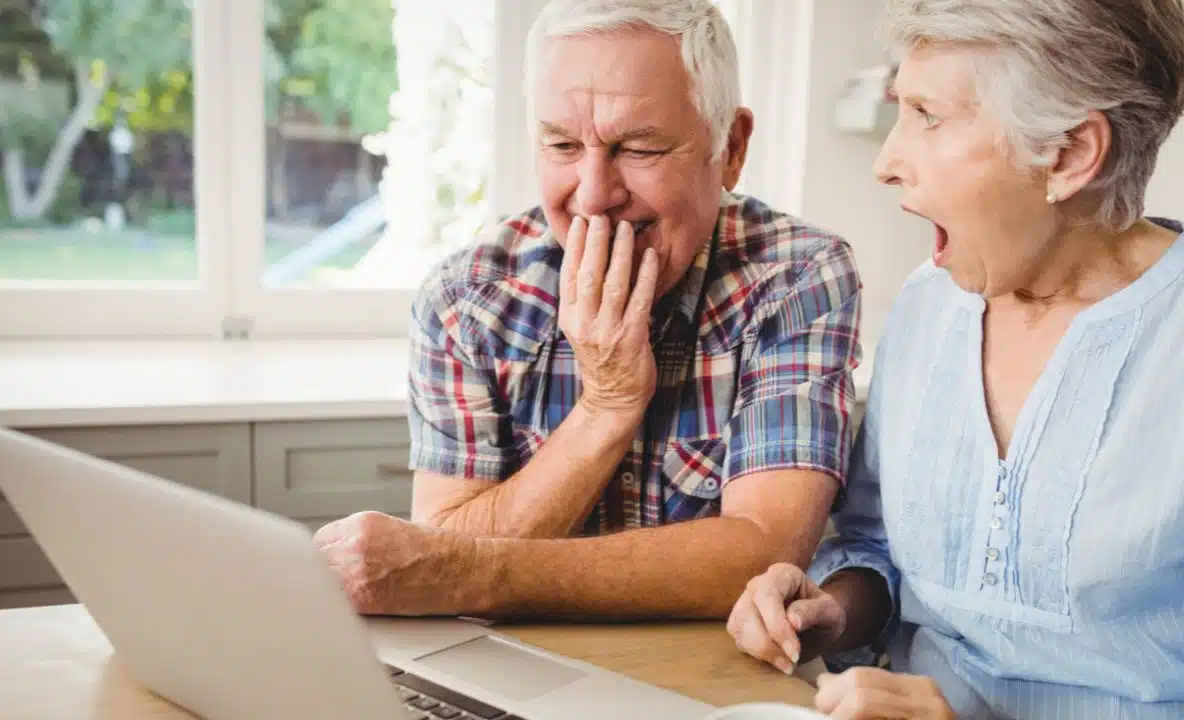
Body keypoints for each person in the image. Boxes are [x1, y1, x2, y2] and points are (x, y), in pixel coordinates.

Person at [727, 0, 1184, 718]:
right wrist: (830, 610)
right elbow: (875, 543)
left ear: (1072, 153)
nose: (887, 162)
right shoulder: (931, 305)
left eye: (927, 115)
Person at [312, 0, 865, 621]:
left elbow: (765, 550)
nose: (595, 196)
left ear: (730, 148)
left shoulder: (797, 276)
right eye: (563, 144)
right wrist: (607, 406)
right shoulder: (467, 298)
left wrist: (475, 569)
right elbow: (438, 553)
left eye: (640, 149)